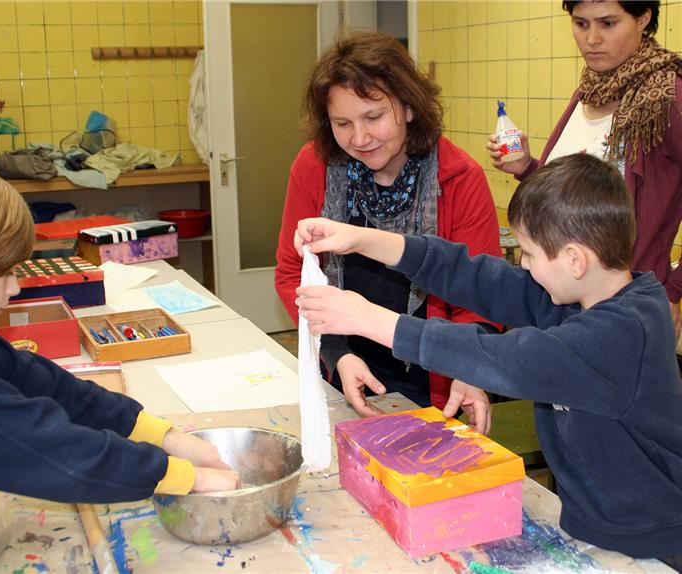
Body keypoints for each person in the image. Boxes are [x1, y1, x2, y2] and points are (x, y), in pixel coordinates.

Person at [294, 154, 682, 566]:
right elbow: (469, 274)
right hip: (593, 523)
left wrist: (370, 319)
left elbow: (506, 359)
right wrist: (362, 239)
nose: (524, 266)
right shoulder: (573, 295)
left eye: (529, 254)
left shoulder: (624, 333)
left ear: (574, 260)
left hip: (655, 543)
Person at [0, 154, 241, 573]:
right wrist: (183, 477)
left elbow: (52, 388)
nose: (15, 288)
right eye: (2, 273)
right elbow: (50, 450)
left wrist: (166, 436)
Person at [275, 30, 502, 422]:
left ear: (409, 107)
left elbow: (481, 296)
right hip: (341, 365)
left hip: (433, 375)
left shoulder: (458, 176)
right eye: (342, 123)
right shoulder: (314, 166)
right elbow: (293, 273)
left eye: (374, 117)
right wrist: (335, 351)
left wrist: (469, 368)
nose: (359, 138)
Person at [487, 0, 682, 334]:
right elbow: (577, 205)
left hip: (625, 310)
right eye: (581, 24)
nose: (592, 39)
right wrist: (529, 168)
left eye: (608, 24)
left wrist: (675, 289)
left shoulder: (667, 97)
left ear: (643, 18)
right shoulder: (589, 91)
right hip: (561, 304)